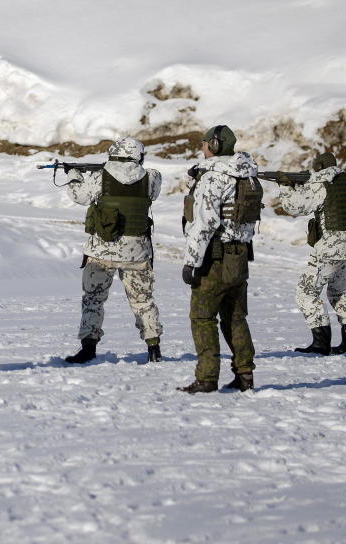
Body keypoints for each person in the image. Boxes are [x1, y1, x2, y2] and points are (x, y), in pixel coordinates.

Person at [62, 137, 164, 364]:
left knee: (93, 300)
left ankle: (88, 348)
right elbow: (151, 193)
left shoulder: (99, 177)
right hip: (137, 253)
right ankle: (153, 347)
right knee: (143, 301)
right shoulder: (152, 178)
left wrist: (73, 175)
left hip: (102, 252)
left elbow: (79, 196)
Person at [178, 125, 261, 393]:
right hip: (239, 257)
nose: (202, 148)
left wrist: (191, 261)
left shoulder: (214, 178)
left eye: (204, 144)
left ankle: (206, 378)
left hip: (214, 259)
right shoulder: (248, 176)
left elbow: (205, 222)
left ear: (214, 145)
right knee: (235, 318)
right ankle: (245, 375)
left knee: (202, 317)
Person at [280, 152, 346, 355]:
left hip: (330, 248)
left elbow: (294, 206)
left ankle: (321, 343)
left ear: (318, 167)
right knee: (340, 292)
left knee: (306, 292)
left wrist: (285, 186)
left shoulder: (322, 184)